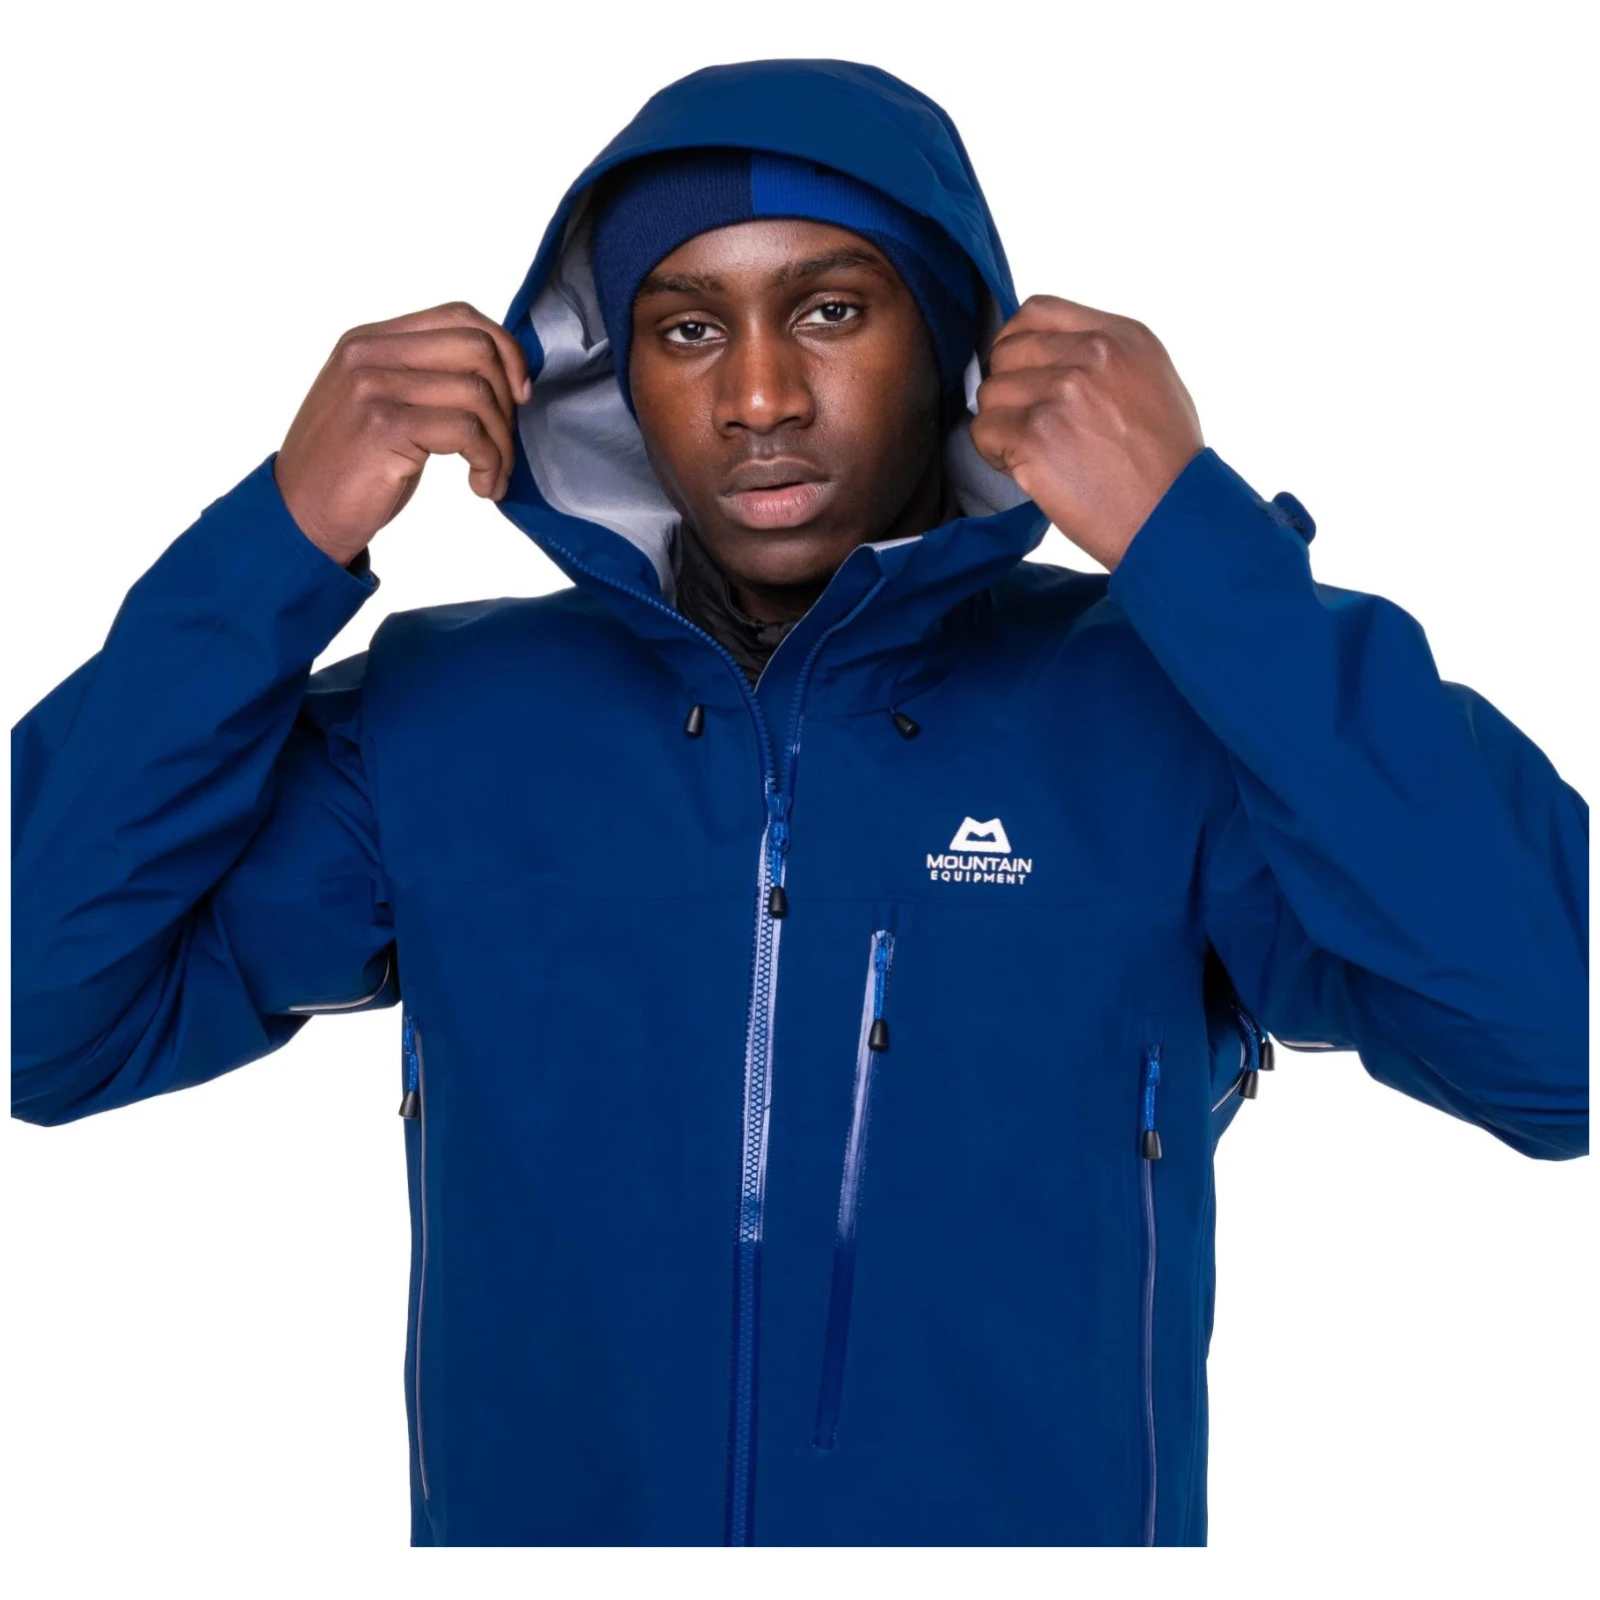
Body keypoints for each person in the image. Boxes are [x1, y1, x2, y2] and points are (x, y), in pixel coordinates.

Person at [9, 57, 1587, 1549]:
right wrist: (275, 545)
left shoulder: (1162, 716)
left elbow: (1554, 1043)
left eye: (831, 309)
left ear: (955, 347)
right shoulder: (448, 724)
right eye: (689, 328)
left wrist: (1199, 550)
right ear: (614, 377)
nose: (759, 396)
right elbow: (44, 1017)